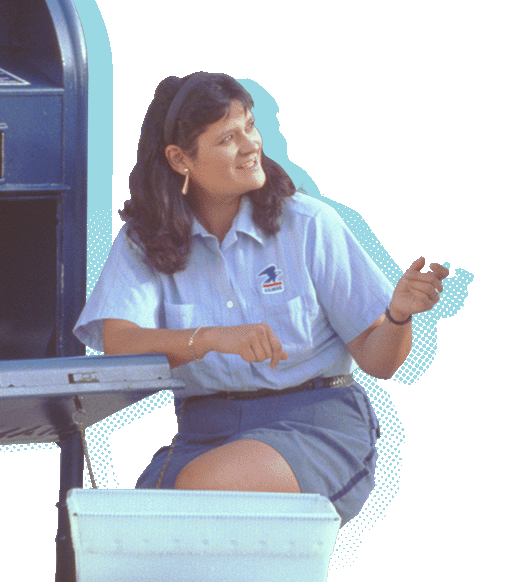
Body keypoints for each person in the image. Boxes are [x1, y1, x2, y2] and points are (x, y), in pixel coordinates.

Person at [74, 72, 448, 524]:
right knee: (115, 533)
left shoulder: (308, 224)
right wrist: (212, 337)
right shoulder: (144, 241)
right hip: (202, 433)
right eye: (228, 137)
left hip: (314, 424)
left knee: (201, 492)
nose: (251, 145)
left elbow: (379, 362)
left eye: (250, 126)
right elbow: (120, 341)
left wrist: (398, 316)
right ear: (179, 159)